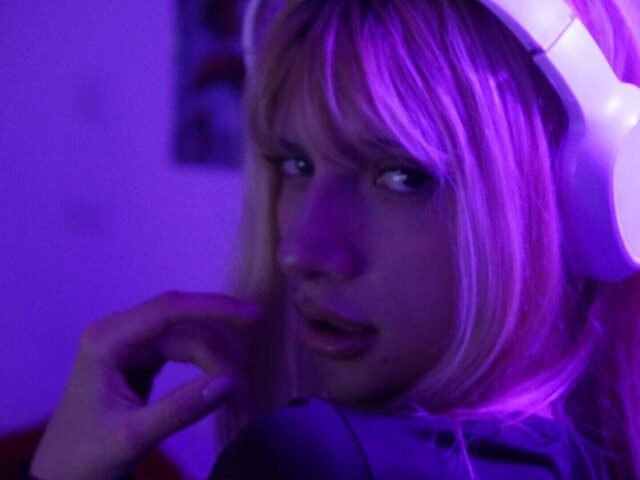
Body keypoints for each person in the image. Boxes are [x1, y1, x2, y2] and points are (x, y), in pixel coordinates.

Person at [29, 0, 640, 478]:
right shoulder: (589, 451)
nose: (300, 251)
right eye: (294, 165)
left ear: (583, 203)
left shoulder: (308, 459)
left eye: (402, 177)